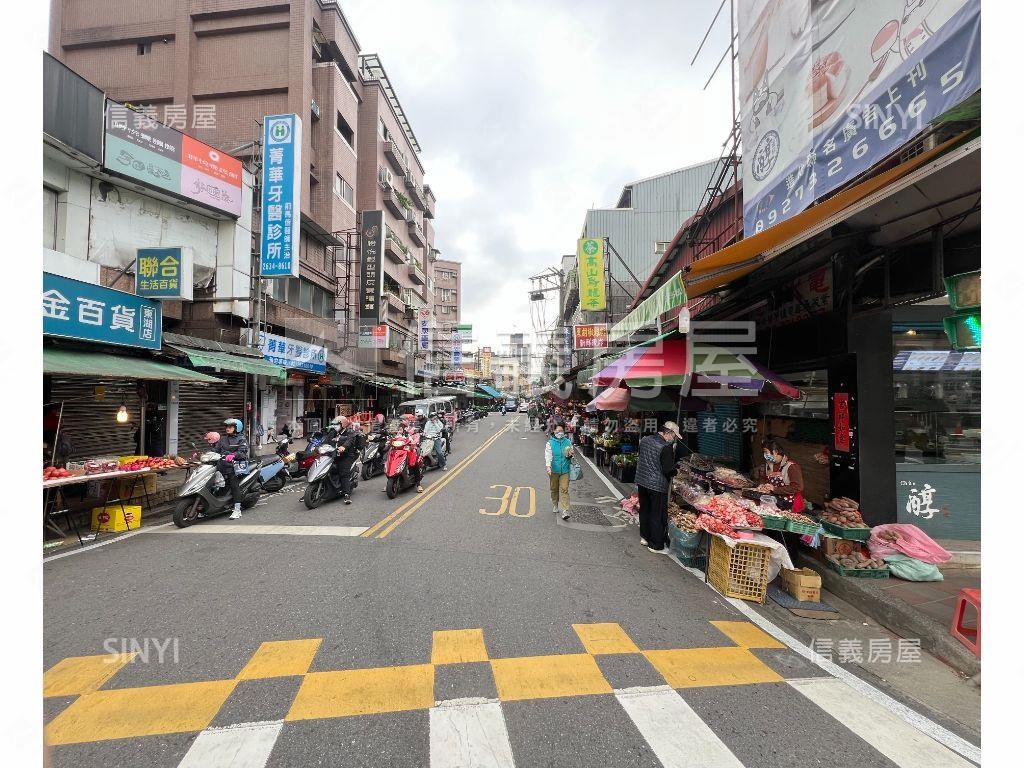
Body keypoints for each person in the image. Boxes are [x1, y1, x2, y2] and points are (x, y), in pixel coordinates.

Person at [636, 421, 682, 553]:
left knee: (645, 509)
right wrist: (676, 471)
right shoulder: (665, 447)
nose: (673, 439)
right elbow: (668, 469)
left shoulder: (645, 440)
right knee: (657, 513)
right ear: (668, 433)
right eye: (674, 436)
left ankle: (645, 537)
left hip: (642, 480)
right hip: (657, 485)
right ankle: (655, 544)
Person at [753, 438, 806, 513]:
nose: (764, 455)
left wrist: (775, 489)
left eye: (766, 452)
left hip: (790, 505)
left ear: (775, 452)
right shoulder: (768, 465)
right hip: (774, 502)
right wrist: (762, 485)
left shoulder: (791, 466)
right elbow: (764, 478)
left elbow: (798, 487)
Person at [213, 419, 249, 520]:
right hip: (221, 466)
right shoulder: (223, 439)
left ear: (237, 428)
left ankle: (237, 509)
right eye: (227, 427)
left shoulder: (241, 439)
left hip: (234, 467)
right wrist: (203, 455)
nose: (227, 429)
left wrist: (233, 455)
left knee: (234, 486)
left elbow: (242, 453)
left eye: (230, 427)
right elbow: (215, 451)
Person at [545, 423, 574, 521]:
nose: (559, 433)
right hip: (553, 470)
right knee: (554, 488)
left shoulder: (568, 442)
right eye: (557, 431)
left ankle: (565, 510)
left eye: (561, 431)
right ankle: (555, 504)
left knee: (564, 489)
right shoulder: (550, 443)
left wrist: (570, 454)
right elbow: (548, 456)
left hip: (565, 470)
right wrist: (548, 466)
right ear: (554, 431)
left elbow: (571, 455)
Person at [330, 416, 362, 505]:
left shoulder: (350, 432)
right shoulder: (333, 433)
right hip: (334, 455)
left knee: (343, 473)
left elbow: (349, 441)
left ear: (343, 424)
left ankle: (347, 494)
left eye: (337, 424)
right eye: (334, 424)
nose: (335, 426)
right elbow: (326, 440)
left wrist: (344, 447)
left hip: (346, 456)